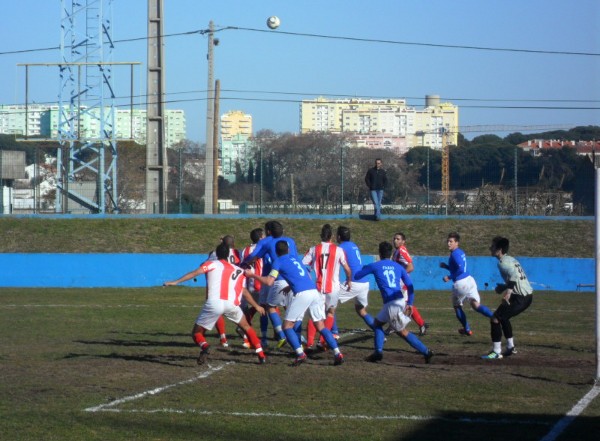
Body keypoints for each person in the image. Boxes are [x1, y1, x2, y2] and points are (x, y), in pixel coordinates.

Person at [163, 242, 267, 365]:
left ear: (216, 254)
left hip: (214, 303)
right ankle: (261, 355)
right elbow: (244, 291)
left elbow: (195, 273)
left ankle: (205, 346)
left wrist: (175, 282)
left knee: (196, 333)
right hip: (231, 304)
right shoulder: (238, 270)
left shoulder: (211, 264)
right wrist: (256, 306)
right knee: (246, 327)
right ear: (228, 255)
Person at [245, 240, 345, 367]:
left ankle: (300, 354)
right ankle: (338, 353)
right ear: (288, 249)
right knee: (320, 326)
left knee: (287, 327)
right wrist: (291, 286)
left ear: (276, 251)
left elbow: (269, 281)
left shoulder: (278, 261)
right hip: (314, 291)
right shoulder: (295, 259)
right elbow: (304, 275)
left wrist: (252, 275)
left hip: (302, 294)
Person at [355, 241, 433, 363]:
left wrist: (362, 267)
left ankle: (426, 352)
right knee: (377, 324)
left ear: (379, 253)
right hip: (398, 301)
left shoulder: (375, 265)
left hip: (391, 304)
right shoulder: (398, 267)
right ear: (391, 254)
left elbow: (357, 276)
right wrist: (410, 303)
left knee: (402, 332)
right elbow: (410, 285)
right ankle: (378, 352)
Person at [242, 220, 299, 349]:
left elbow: (254, 256)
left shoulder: (266, 242)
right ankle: (297, 336)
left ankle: (272, 336)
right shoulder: (290, 241)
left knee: (266, 307)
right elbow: (295, 258)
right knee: (291, 307)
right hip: (291, 278)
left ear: (268, 231)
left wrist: (242, 265)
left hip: (271, 278)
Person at [482, 236, 534, 359]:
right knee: (503, 317)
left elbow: (514, 277)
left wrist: (508, 292)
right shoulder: (511, 259)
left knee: (495, 318)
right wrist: (504, 287)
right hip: (524, 296)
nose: (490, 248)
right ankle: (510, 347)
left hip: (521, 297)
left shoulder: (503, 263)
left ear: (499, 250)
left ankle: (496, 352)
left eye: (493, 246)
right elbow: (515, 277)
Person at [302, 224, 352, 349]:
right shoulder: (338, 250)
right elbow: (347, 268)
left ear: (321, 235)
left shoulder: (314, 249)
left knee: (314, 315)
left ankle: (309, 343)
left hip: (318, 287)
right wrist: (349, 280)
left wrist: (308, 277)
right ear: (332, 236)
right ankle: (322, 341)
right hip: (333, 288)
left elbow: (302, 265)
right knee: (330, 313)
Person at [439, 232, 494, 336]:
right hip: (469, 280)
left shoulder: (454, 254)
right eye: (448, 241)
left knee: (457, 307)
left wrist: (449, 277)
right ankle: (495, 317)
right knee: (475, 305)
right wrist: (446, 266)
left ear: (457, 243)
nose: (448, 243)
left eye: (451, 241)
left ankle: (467, 329)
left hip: (461, 283)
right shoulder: (460, 252)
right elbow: (459, 268)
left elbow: (460, 269)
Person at [335, 225, 377, 330]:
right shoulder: (354, 245)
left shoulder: (340, 248)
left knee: (328, 303)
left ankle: (334, 332)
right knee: (361, 310)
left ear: (339, 236)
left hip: (354, 282)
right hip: (364, 282)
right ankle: (378, 331)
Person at [392, 232, 429, 336]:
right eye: (394, 239)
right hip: (400, 282)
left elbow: (411, 267)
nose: (395, 241)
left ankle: (396, 326)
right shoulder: (398, 251)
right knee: (401, 304)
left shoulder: (401, 251)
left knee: (400, 304)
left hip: (402, 283)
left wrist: (400, 275)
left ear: (403, 241)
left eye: (398, 239)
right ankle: (421, 324)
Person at [207, 235, 241, 347]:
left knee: (217, 310)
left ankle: (223, 338)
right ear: (233, 243)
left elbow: (208, 266)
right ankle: (246, 337)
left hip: (220, 284)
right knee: (239, 310)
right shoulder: (238, 253)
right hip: (235, 285)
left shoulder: (214, 253)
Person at [237, 228, 265, 349]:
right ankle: (264, 337)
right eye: (263, 235)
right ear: (260, 237)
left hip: (248, 283)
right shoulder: (263, 248)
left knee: (256, 306)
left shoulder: (245, 250)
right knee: (267, 307)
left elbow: (242, 265)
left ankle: (244, 332)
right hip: (260, 282)